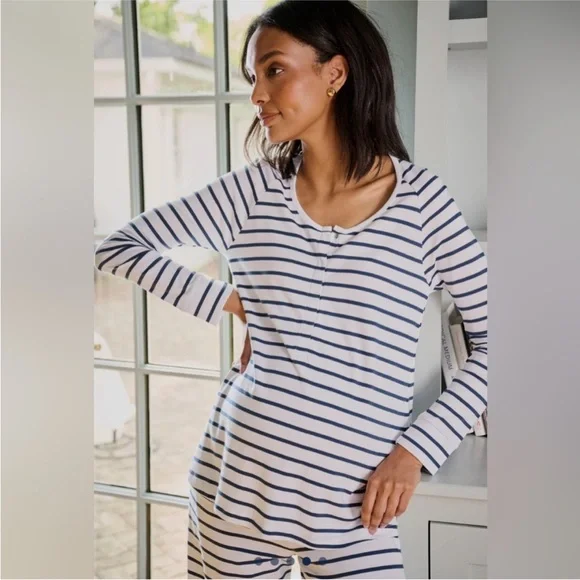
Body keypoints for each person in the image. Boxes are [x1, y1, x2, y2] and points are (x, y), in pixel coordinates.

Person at [94, 1, 488, 577]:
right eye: (253, 77)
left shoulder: (422, 203)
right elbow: (119, 247)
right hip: (234, 495)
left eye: (274, 70)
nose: (258, 94)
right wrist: (233, 303)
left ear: (335, 73)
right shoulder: (251, 192)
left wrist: (416, 451)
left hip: (357, 515)